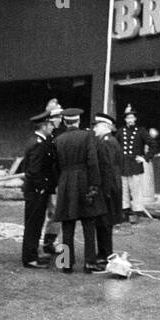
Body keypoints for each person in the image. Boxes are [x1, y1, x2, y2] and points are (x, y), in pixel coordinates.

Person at [50, 108, 106, 273]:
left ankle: (66, 263)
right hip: (84, 181)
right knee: (89, 224)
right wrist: (95, 185)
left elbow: (56, 165)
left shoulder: (58, 139)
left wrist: (60, 181)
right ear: (78, 121)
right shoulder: (88, 136)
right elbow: (93, 161)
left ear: (65, 122)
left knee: (67, 225)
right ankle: (89, 263)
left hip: (66, 183)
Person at [20, 107, 59, 269]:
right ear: (43, 126)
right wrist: (42, 188)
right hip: (36, 192)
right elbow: (34, 170)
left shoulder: (38, 142)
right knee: (33, 225)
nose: (52, 127)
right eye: (50, 125)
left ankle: (33, 254)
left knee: (35, 223)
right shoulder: (38, 144)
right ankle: (30, 258)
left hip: (36, 190)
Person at [92, 112, 124, 266]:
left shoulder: (106, 143)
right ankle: (104, 252)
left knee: (104, 222)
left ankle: (105, 254)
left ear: (105, 127)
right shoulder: (109, 141)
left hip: (107, 188)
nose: (95, 129)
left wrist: (104, 190)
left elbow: (107, 168)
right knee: (104, 222)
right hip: (110, 187)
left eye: (97, 126)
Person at [118, 106, 151, 222]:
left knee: (136, 191)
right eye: (128, 118)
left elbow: (153, 144)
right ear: (125, 120)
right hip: (123, 165)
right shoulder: (121, 131)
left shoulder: (141, 131)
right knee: (123, 190)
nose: (130, 120)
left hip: (135, 165)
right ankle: (124, 212)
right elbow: (116, 146)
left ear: (135, 119)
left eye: (132, 118)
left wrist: (145, 158)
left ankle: (137, 212)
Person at [40, 99, 65, 256]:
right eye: (57, 116)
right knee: (52, 212)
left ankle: (50, 242)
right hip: (49, 180)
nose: (59, 119)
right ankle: (47, 242)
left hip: (58, 179)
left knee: (55, 213)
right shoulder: (46, 135)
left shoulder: (61, 133)